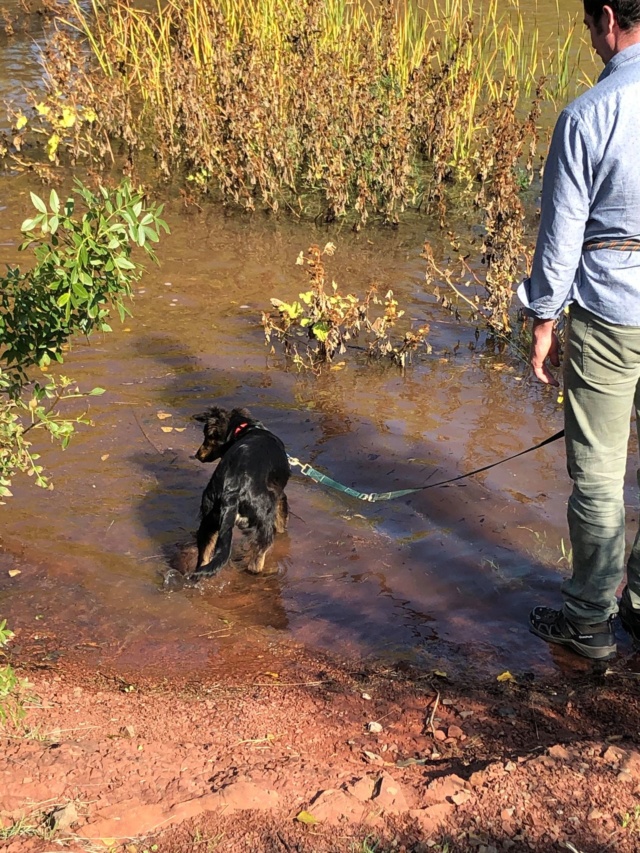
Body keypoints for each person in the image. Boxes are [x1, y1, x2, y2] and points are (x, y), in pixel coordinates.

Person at [518, 0, 640, 659]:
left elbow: (561, 236)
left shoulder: (588, 114)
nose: (593, 39)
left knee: (598, 474)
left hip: (611, 310)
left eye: (591, 26)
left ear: (611, 19)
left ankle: (590, 622)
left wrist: (544, 316)